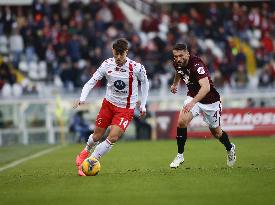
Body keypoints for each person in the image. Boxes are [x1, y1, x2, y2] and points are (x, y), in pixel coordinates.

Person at [73, 38, 149, 176]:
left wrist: (142, 105)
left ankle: (91, 161)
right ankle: (85, 151)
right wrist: (82, 98)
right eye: (116, 54)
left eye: (122, 54)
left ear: (127, 52)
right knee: (97, 136)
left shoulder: (136, 68)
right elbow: (91, 81)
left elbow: (145, 84)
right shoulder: (106, 64)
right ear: (113, 51)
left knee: (113, 137)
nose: (119, 57)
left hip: (126, 109)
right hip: (108, 105)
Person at [169, 43, 236, 168]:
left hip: (210, 101)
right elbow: (178, 71)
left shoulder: (196, 65)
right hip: (193, 96)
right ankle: (180, 155)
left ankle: (230, 147)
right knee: (182, 122)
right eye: (176, 56)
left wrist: (192, 102)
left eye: (181, 55)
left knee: (216, 132)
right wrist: (175, 84)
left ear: (187, 54)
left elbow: (206, 87)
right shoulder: (177, 63)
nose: (178, 59)